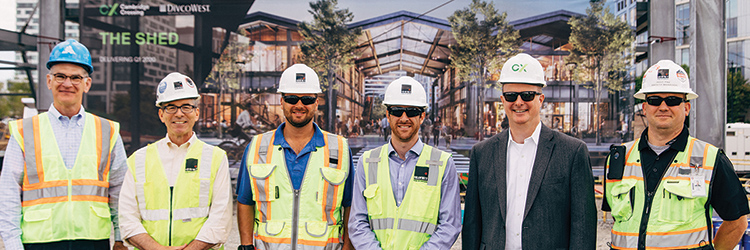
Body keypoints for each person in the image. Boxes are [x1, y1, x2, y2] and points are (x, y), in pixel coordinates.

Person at [602, 60, 750, 250]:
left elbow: (737, 223)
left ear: (686, 108)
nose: (663, 107)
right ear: (644, 108)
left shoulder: (711, 159)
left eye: (672, 100)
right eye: (655, 100)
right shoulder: (618, 159)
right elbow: (618, 221)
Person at [0, 39, 128, 249]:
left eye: (76, 77)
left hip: (93, 241)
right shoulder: (25, 131)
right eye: (60, 76)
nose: (67, 84)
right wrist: (13, 244)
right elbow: (8, 193)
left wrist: (121, 237)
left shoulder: (108, 131)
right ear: (49, 81)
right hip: (38, 242)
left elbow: (120, 190)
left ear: (87, 84)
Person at [462, 53, 597, 249]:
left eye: (527, 95)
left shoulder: (572, 152)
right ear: (502, 100)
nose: (518, 102)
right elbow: (472, 225)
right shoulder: (482, 154)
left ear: (540, 99)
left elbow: (583, 227)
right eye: (511, 96)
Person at [236, 64, 354, 250]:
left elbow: (349, 205)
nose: (299, 105)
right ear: (282, 102)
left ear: (316, 102)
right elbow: (245, 200)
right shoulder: (257, 147)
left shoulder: (339, 148)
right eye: (292, 98)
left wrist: (347, 247)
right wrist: (246, 245)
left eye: (306, 99)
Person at [118, 73, 232, 249]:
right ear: (161, 114)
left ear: (196, 113)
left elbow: (220, 219)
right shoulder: (138, 160)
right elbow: (127, 219)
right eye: (171, 107)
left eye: (186, 106)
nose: (179, 113)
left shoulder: (216, 158)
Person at [349, 76, 461, 249]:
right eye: (397, 111)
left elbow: (450, 225)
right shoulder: (368, 161)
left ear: (422, 116)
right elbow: (357, 222)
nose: (404, 118)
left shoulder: (443, 163)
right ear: (388, 115)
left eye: (412, 112)